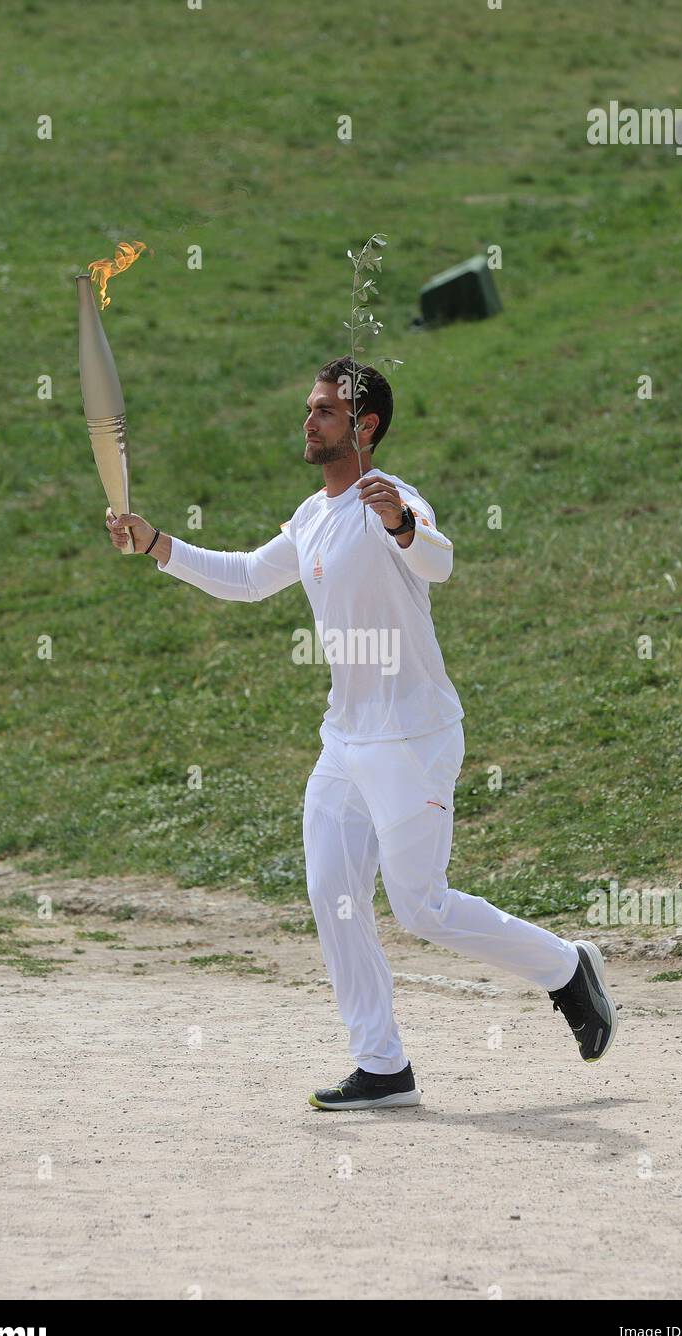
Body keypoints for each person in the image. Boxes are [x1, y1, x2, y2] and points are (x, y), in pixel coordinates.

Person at [106, 355, 618, 1110]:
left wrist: (402, 524)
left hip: (413, 738)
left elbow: (439, 564)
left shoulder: (394, 501)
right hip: (345, 740)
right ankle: (383, 1066)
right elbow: (248, 576)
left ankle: (567, 967)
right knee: (331, 891)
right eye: (310, 409)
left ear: (364, 426)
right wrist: (157, 545)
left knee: (422, 908)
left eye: (322, 411)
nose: (308, 422)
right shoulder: (313, 515)